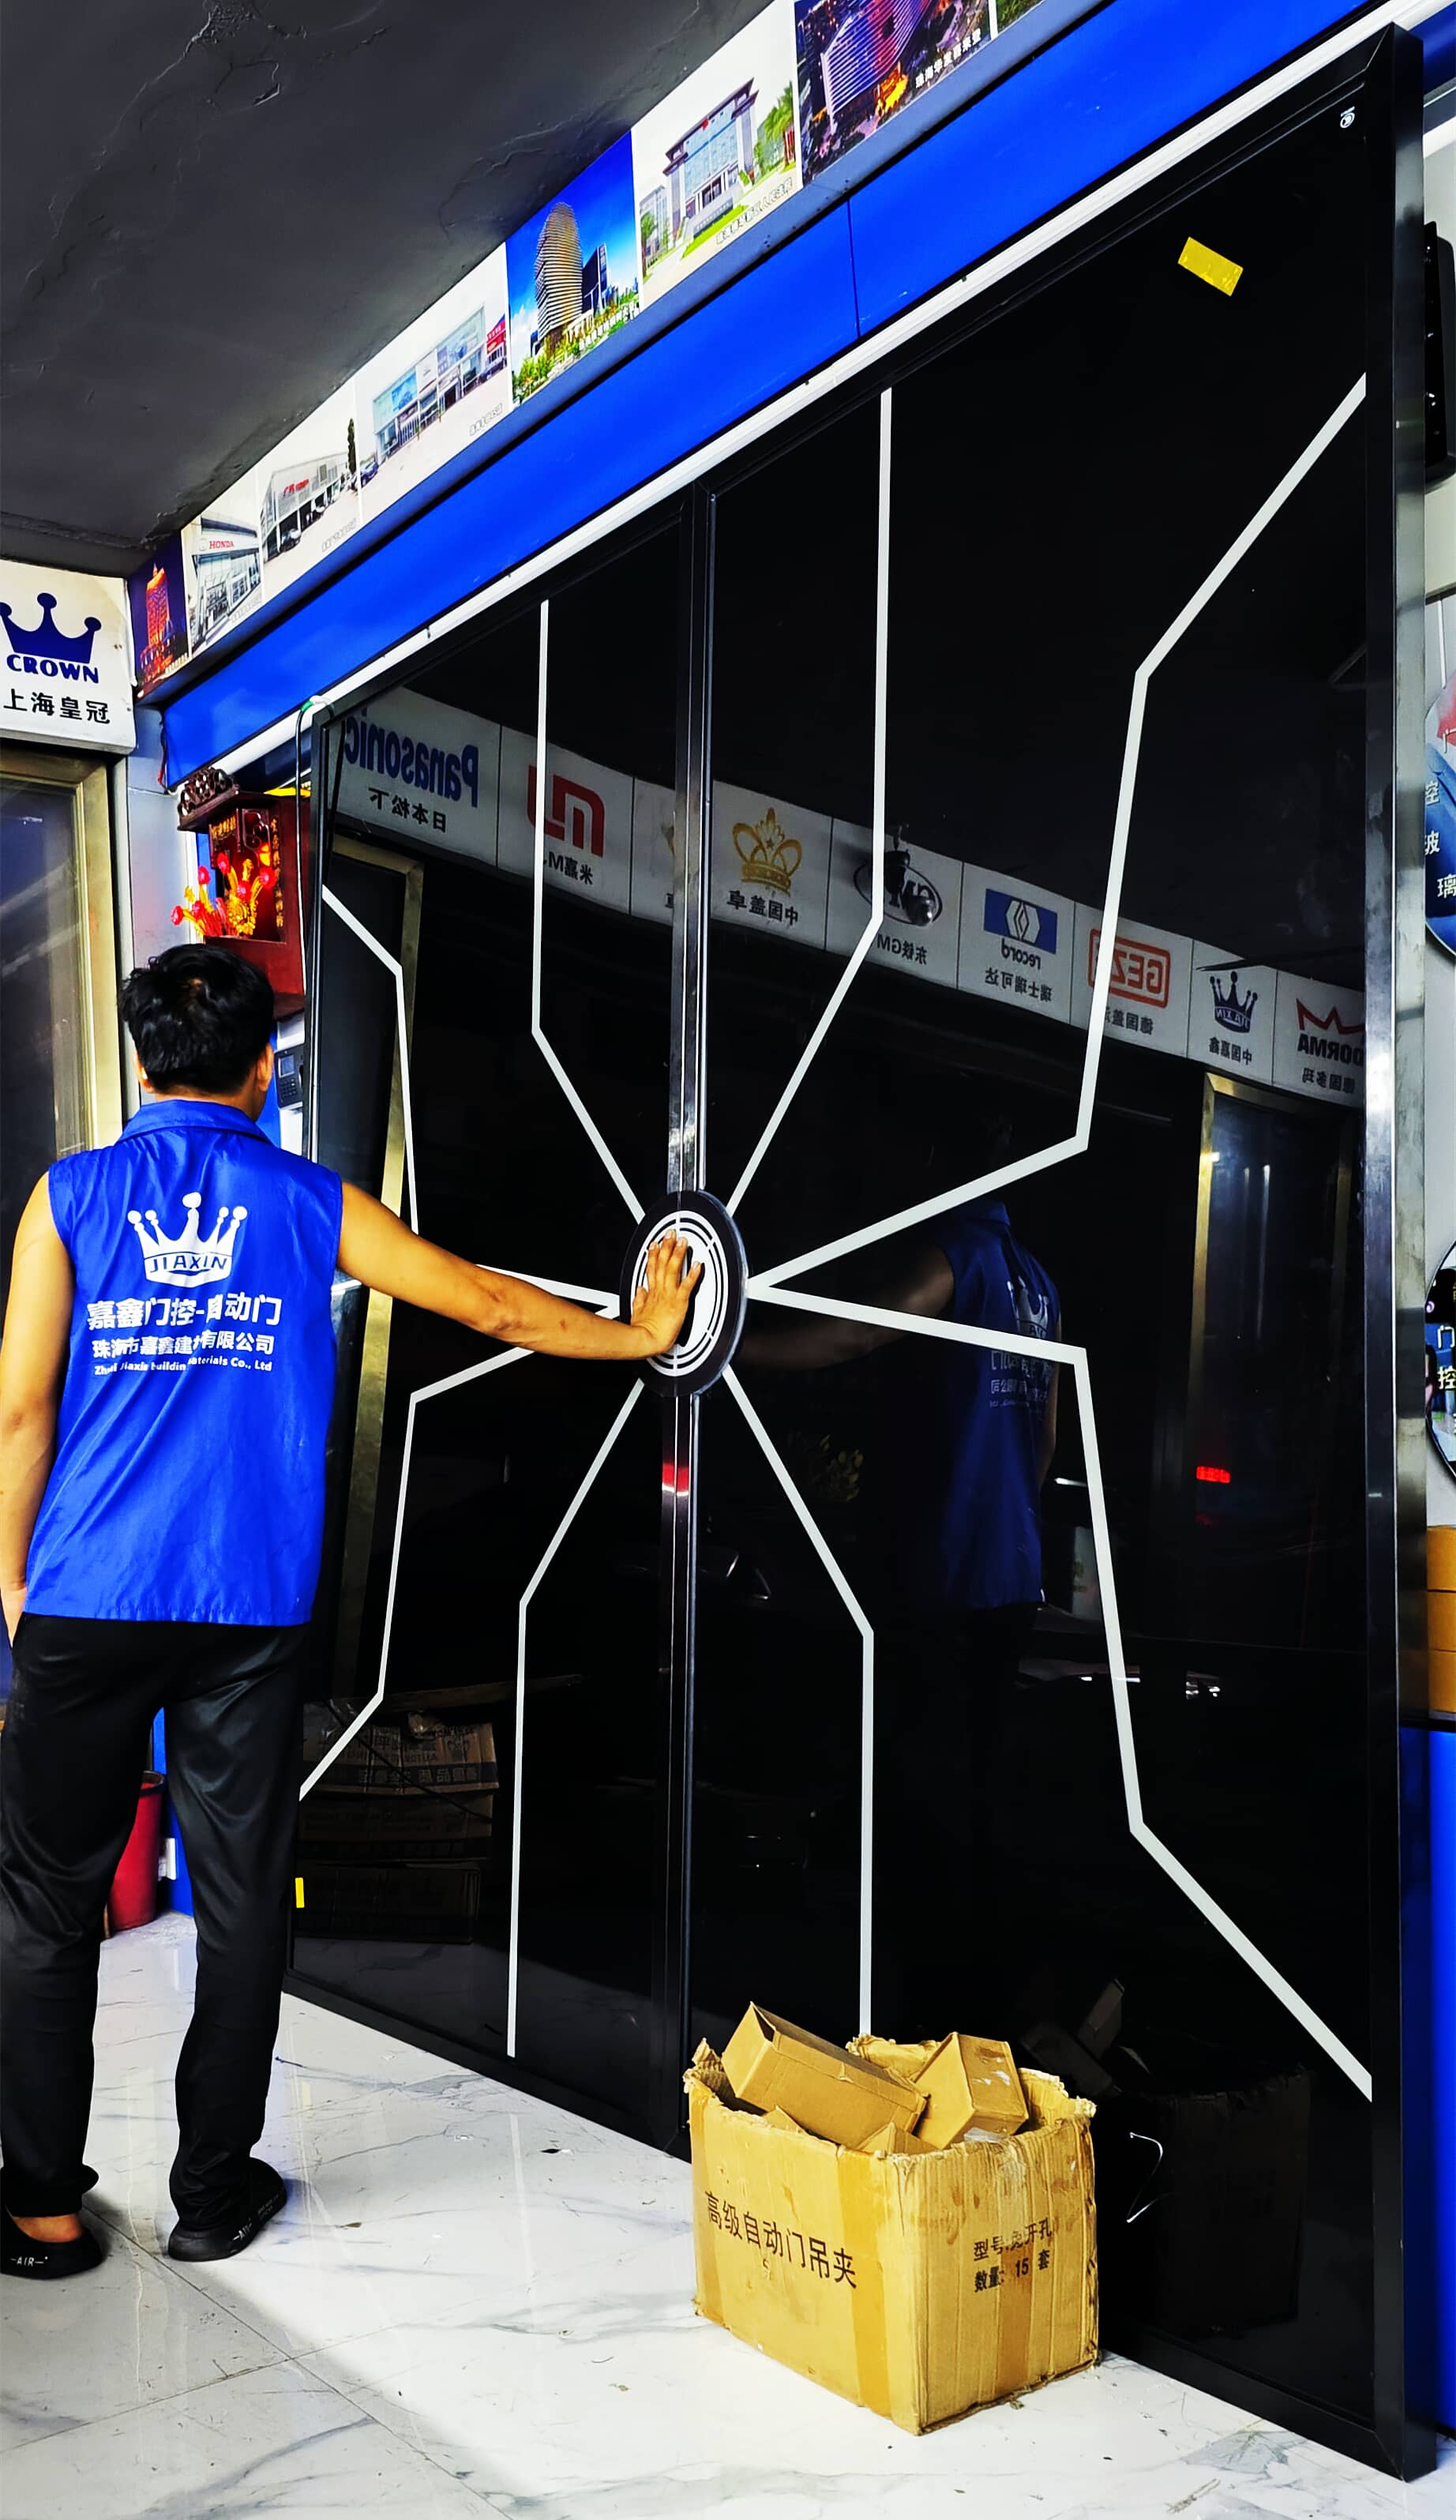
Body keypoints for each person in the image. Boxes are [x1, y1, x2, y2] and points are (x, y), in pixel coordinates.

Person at [0, 945, 699, 2281]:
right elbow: (484, 1301)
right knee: (240, 1899)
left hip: (88, 1593)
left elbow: (23, 1408)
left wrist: (13, 1581)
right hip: (245, 1607)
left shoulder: (69, 1196)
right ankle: (212, 2192)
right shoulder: (308, 1199)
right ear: (263, 1071)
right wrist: (643, 1331)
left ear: (140, 1061)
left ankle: (38, 2208)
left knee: (43, 1902)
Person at [739, 1101, 1059, 2033]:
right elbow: (1043, 1439)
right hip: (1012, 1571)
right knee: (981, 1791)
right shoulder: (1038, 1281)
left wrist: (734, 1348)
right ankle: (981, 2007)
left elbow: (854, 1333)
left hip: (947, 1570)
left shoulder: (955, 1253)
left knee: (925, 1799)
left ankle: (930, 2013)